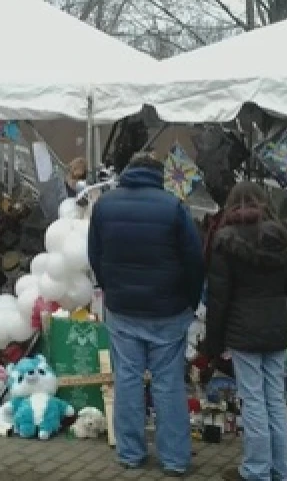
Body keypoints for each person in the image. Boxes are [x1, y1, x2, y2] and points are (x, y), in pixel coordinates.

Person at [88, 152, 204, 477]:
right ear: (160, 175)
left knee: (126, 381)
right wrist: (190, 302)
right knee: (168, 384)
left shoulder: (105, 206)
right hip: (168, 309)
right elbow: (194, 261)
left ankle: (130, 453)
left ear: (128, 172)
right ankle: (175, 460)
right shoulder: (174, 207)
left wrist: (110, 288)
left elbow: (95, 254)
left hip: (123, 309)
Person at [205, 181, 287, 481]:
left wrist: (213, 343)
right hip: (275, 327)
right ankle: (281, 471)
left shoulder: (225, 240)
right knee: (275, 399)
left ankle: (257, 471)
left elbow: (218, 298)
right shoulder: (285, 237)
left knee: (254, 402)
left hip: (242, 329)